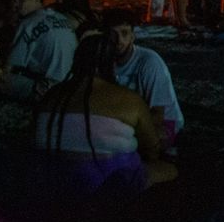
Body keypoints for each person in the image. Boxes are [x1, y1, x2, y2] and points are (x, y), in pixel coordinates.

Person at [34, 31, 177, 196]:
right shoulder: (128, 99)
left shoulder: (52, 96)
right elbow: (152, 149)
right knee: (169, 170)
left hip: (51, 178)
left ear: (75, 62)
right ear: (112, 64)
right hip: (107, 183)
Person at [105, 8, 184, 145]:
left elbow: (158, 114)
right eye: (113, 34)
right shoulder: (104, 60)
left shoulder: (149, 62)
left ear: (133, 36)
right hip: (128, 121)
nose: (119, 40)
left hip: (165, 124)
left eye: (124, 33)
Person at [3, 0, 79, 101]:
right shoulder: (61, 18)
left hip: (48, 87)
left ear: (36, 0)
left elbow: (11, 64)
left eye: (21, 0)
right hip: (71, 82)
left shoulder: (28, 23)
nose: (16, 4)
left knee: (1, 79)